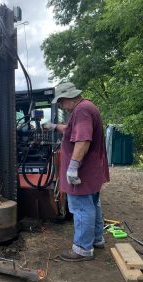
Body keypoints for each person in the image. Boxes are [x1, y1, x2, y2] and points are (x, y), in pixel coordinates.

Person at [45, 82, 110, 261]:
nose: (60, 106)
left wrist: (73, 167)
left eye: (60, 103)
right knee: (93, 205)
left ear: (68, 98)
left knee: (81, 208)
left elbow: (82, 139)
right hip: (92, 171)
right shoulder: (86, 107)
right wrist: (53, 126)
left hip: (83, 171)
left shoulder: (81, 111)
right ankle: (96, 239)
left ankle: (82, 248)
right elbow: (71, 129)